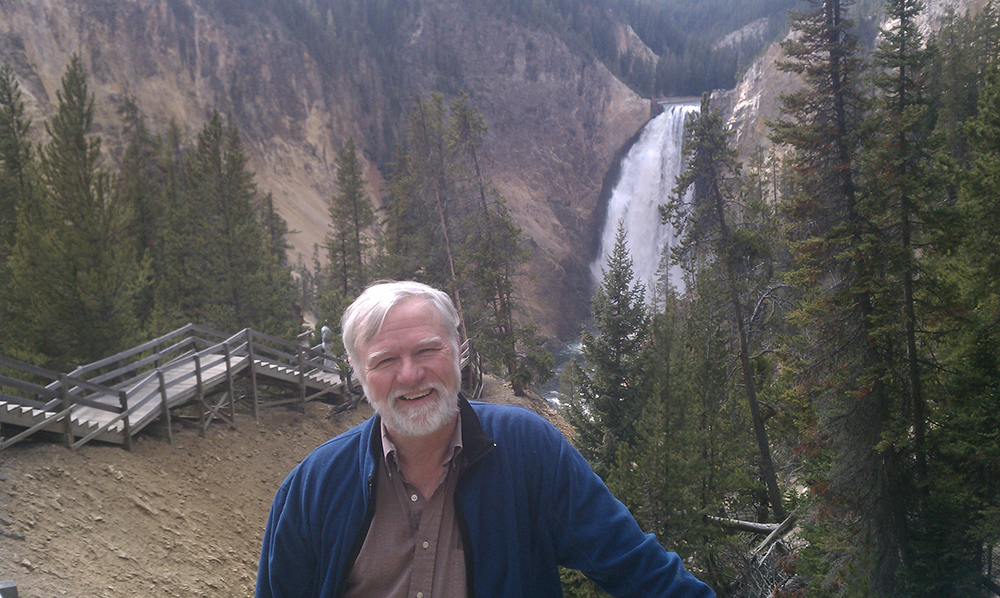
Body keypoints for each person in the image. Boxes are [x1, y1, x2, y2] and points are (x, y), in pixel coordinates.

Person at [256, 281, 715, 598]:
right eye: (385, 361)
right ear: (359, 375)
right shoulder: (312, 489)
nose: (410, 374)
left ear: (458, 352)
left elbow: (635, 566)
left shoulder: (529, 451)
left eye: (427, 350)